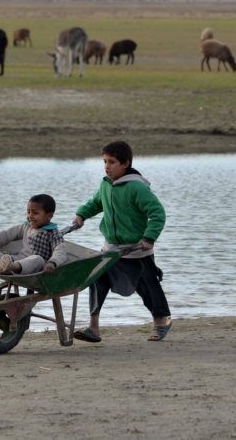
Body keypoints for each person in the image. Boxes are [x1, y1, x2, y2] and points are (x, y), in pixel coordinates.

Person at [71, 141, 171, 342]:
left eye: (112, 162)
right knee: (96, 280)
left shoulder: (137, 187)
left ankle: (161, 321)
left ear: (125, 164)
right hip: (111, 247)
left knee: (147, 287)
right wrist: (81, 215)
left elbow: (157, 213)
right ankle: (93, 327)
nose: (107, 166)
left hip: (136, 249)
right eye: (105, 162)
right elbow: (97, 202)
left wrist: (149, 237)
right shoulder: (105, 184)